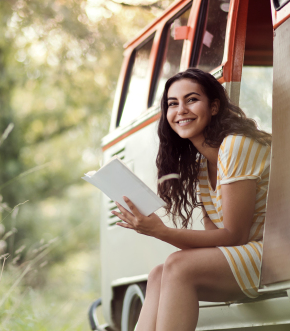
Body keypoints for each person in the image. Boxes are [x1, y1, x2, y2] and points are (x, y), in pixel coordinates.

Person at [112, 68, 272, 331]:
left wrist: (159, 231)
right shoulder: (201, 165)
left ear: (214, 106)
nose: (181, 110)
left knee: (177, 264)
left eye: (192, 99)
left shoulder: (236, 145)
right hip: (245, 254)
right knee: (157, 274)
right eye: (172, 104)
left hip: (275, 252)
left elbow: (234, 236)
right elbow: (217, 239)